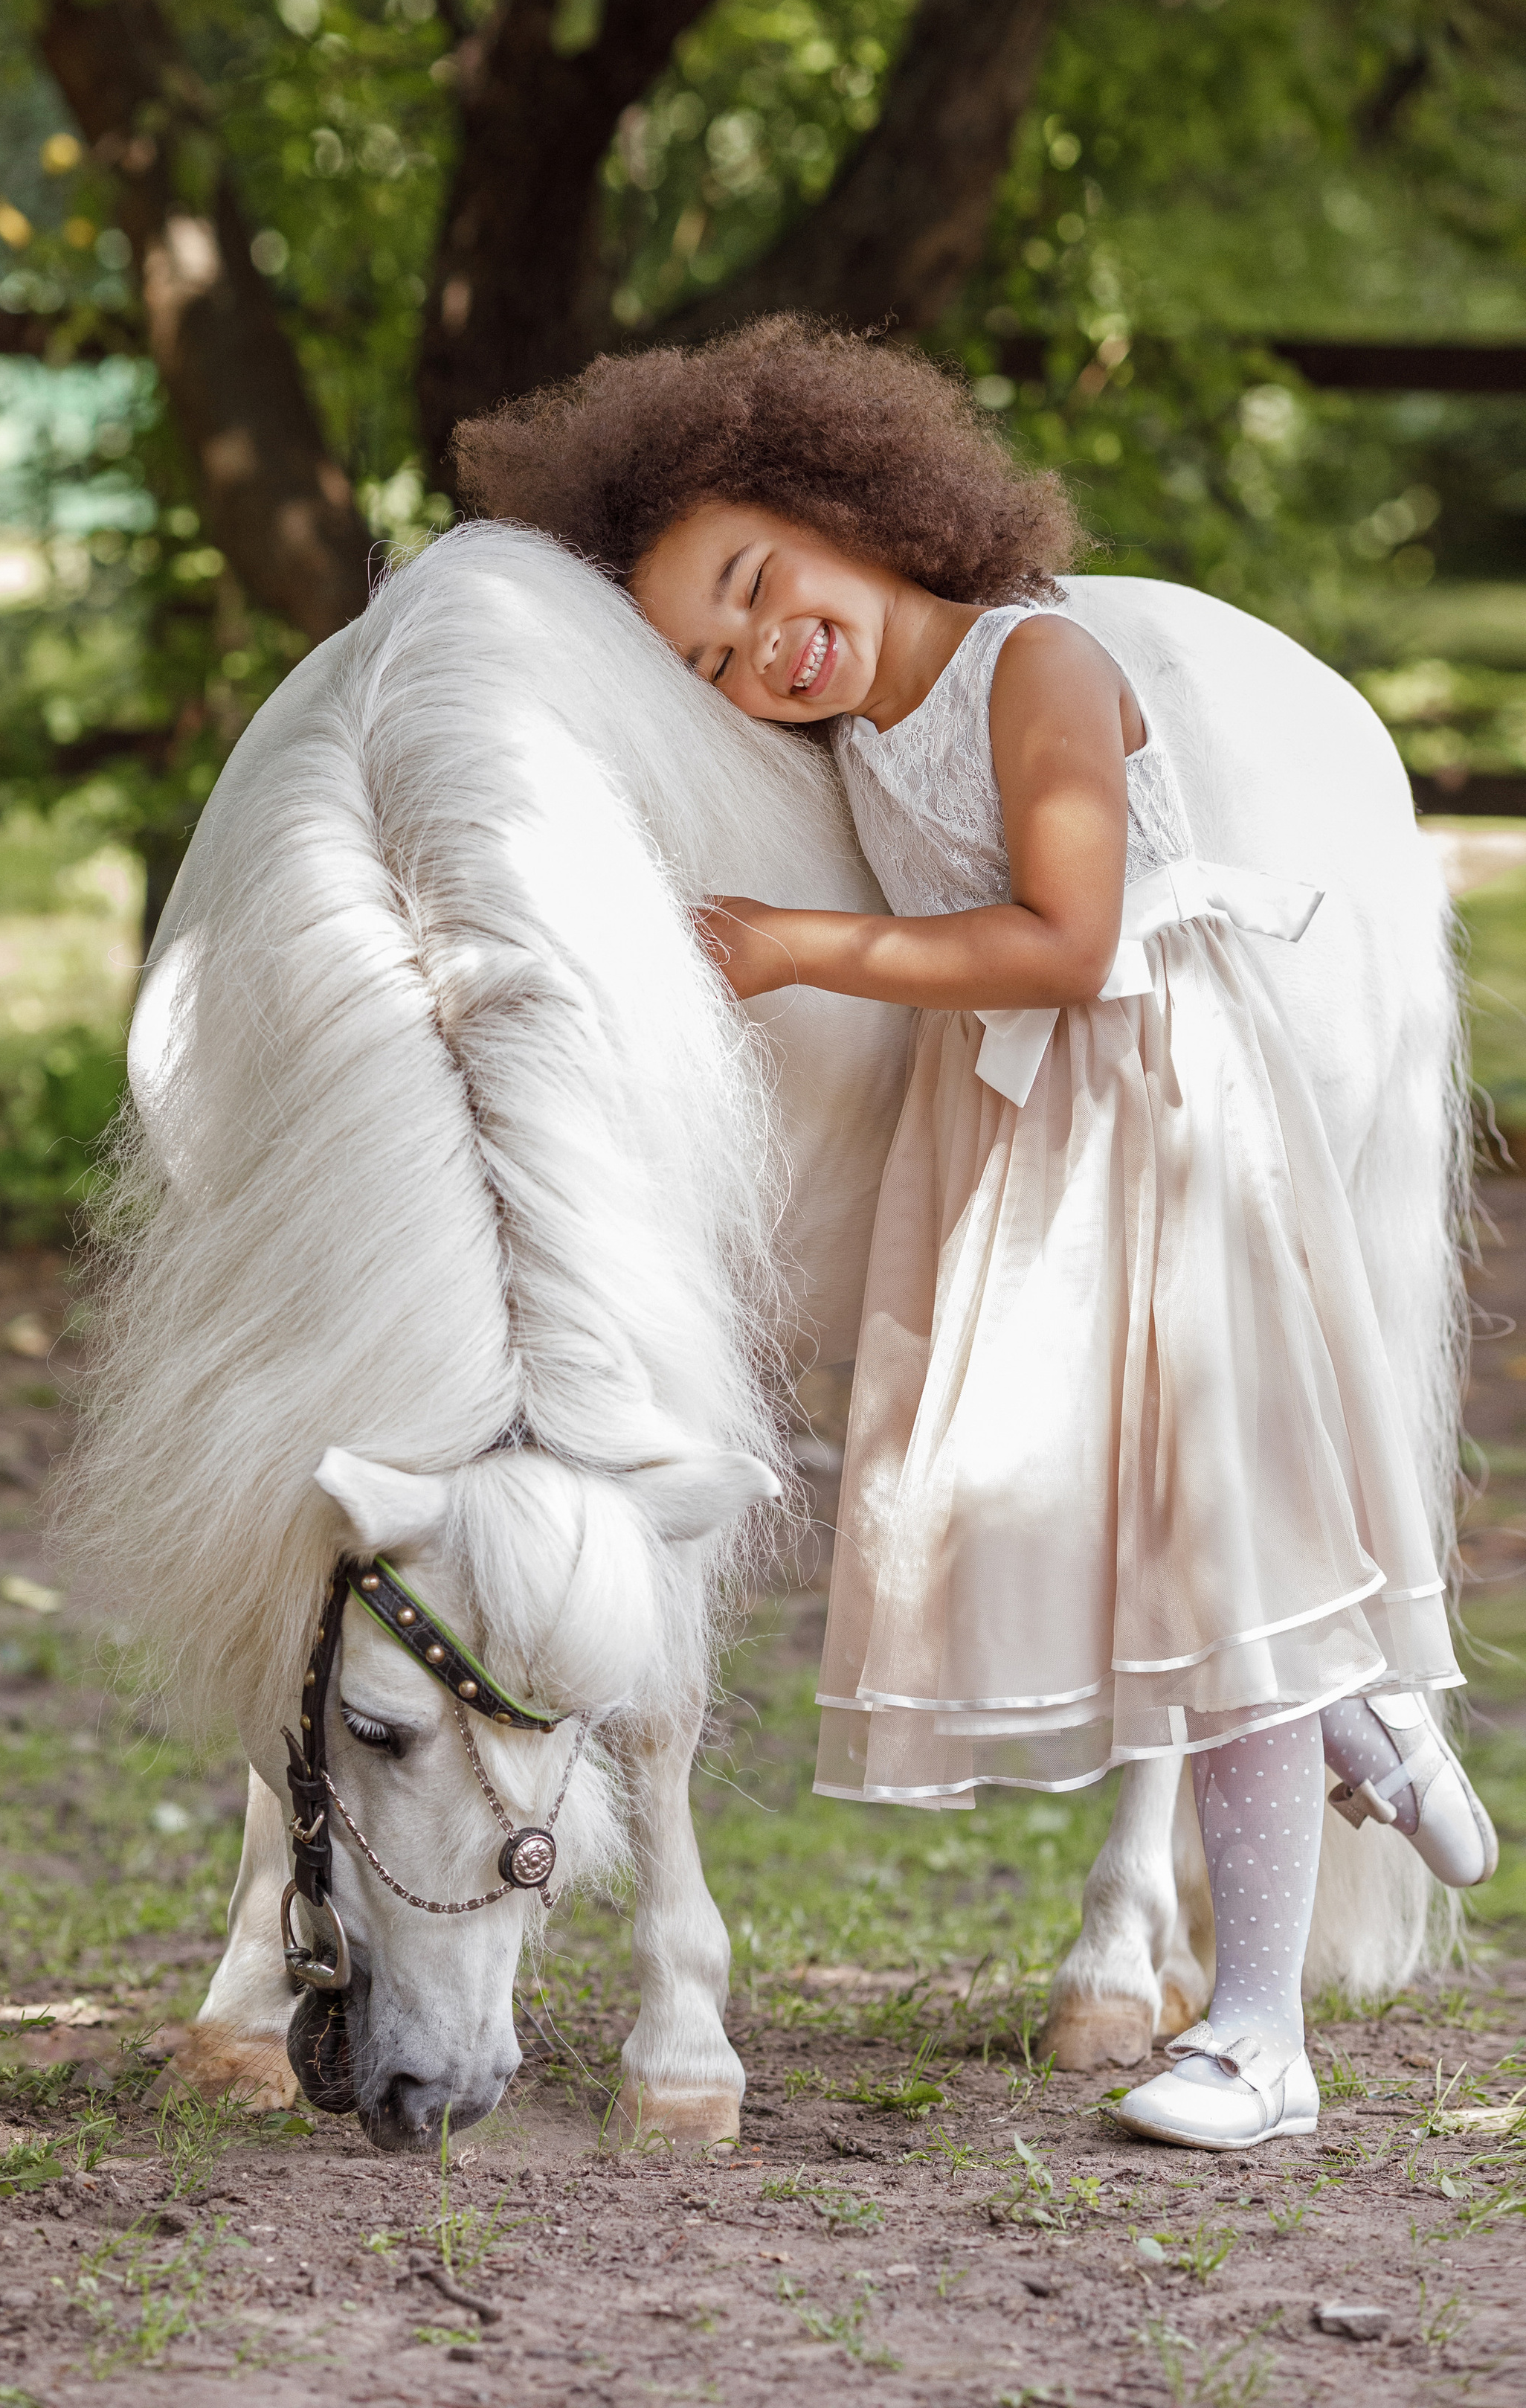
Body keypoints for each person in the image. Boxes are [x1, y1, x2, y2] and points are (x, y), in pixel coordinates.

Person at [453, 317, 1496, 2154]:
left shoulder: (1039, 663)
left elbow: (1067, 942)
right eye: (715, 659)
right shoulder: (862, 720)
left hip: (1159, 1107)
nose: (762, 649)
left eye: (757, 581)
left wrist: (792, 945)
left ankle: (1259, 2023)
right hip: (1032, 1134)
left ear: (846, 500)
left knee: (1217, 1541)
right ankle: (1362, 1715)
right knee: (1094, 1507)